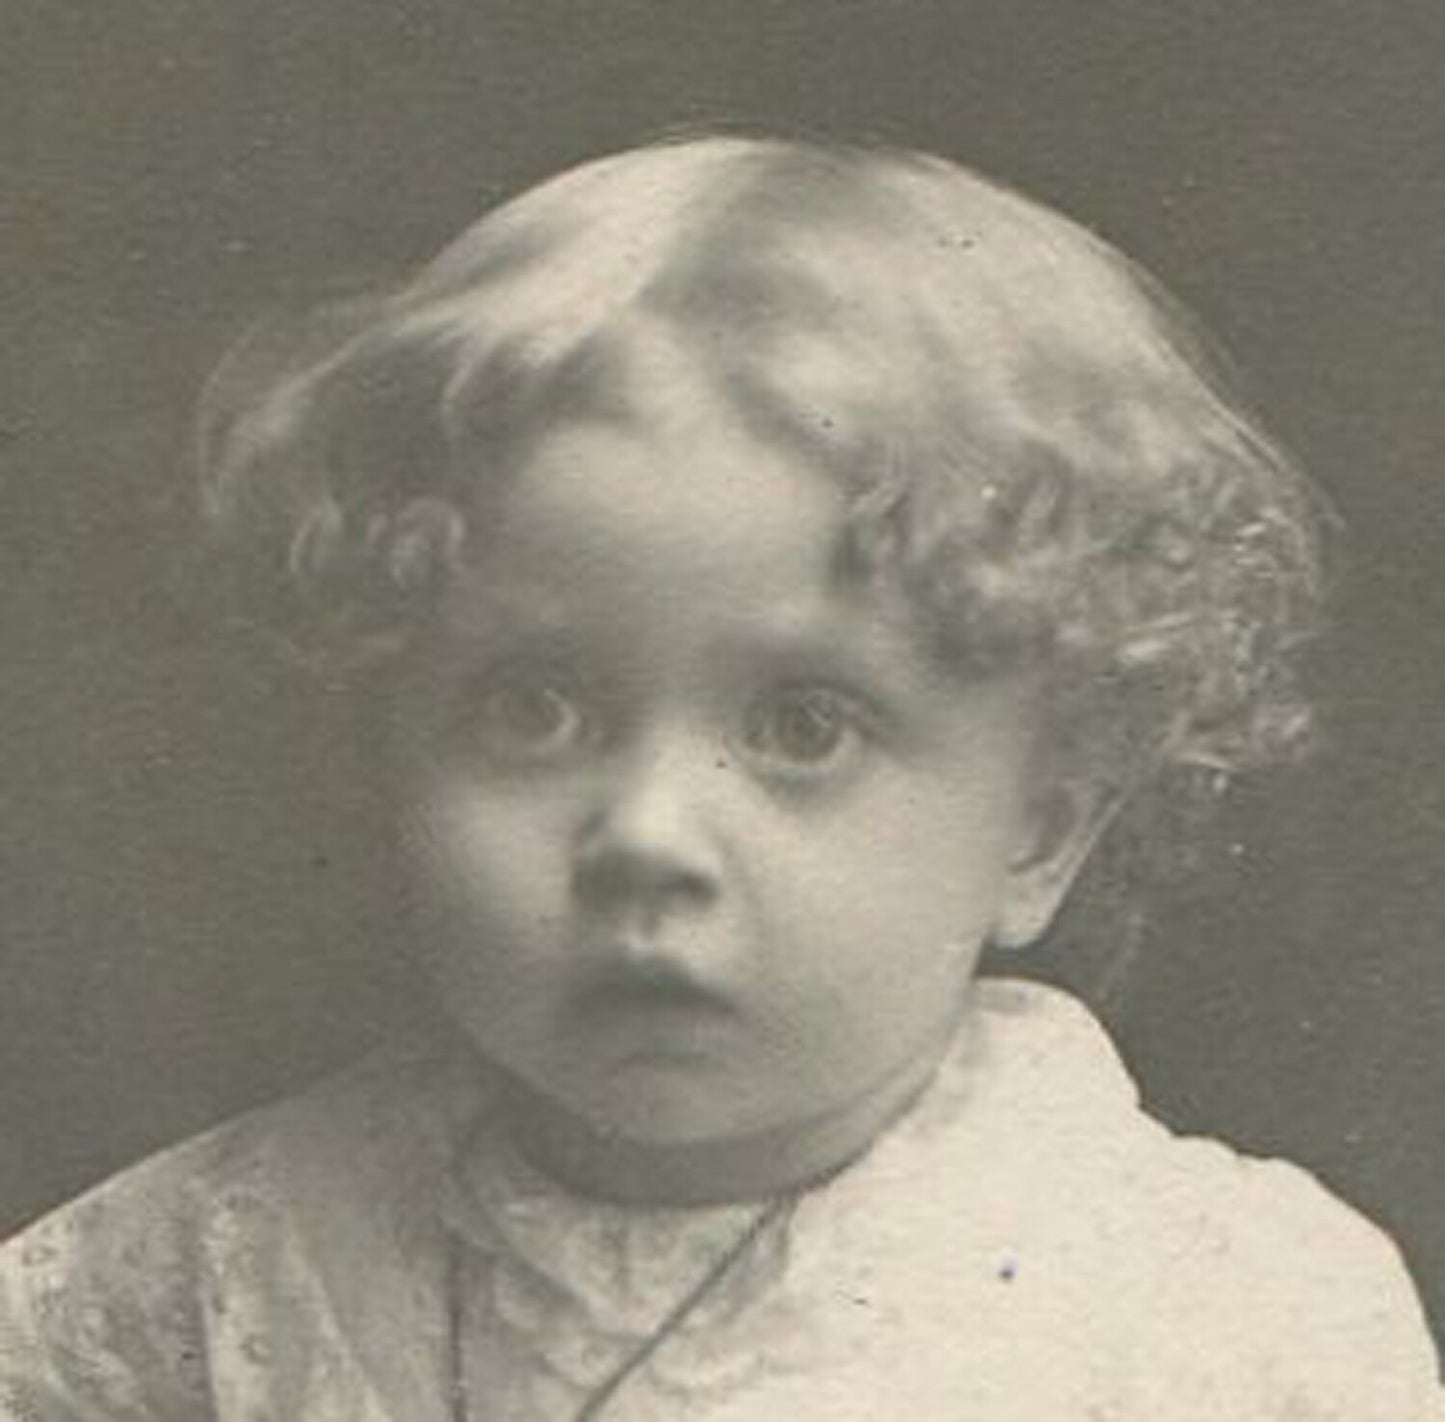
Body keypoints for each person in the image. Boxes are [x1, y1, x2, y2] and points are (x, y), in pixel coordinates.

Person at [1, 134, 1439, 1420]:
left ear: (1041, 827)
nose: (645, 833)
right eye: (535, 707)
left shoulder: (1210, 1314)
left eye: (804, 725)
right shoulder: (219, 1264)